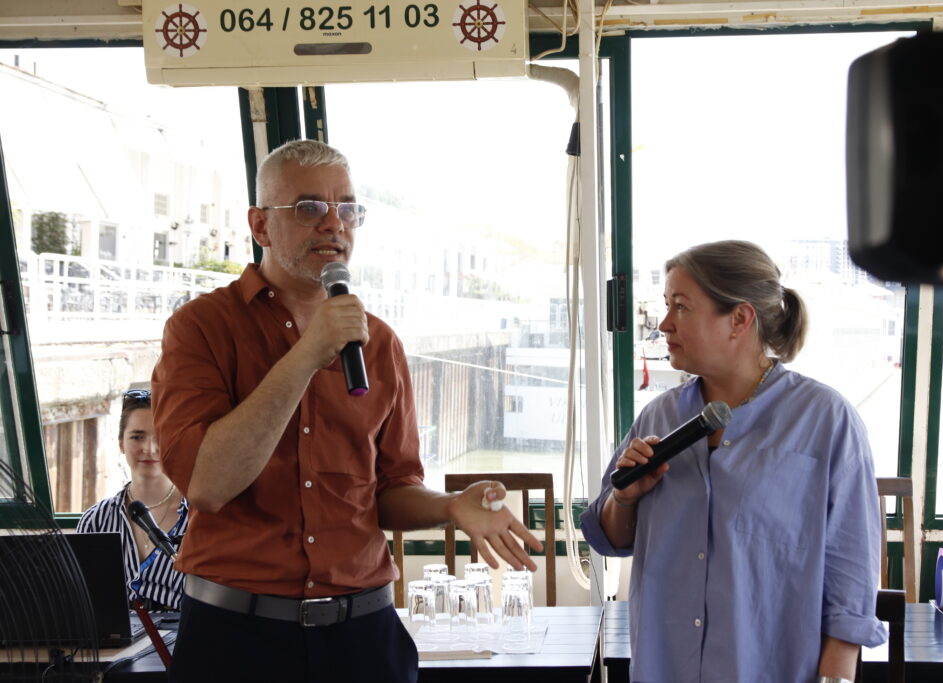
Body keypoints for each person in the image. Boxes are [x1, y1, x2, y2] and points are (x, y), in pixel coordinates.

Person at [151, 139, 541, 683]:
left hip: (363, 636)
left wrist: (451, 506)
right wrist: (308, 354)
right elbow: (207, 483)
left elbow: (390, 491)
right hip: (236, 637)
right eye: (309, 208)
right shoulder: (201, 329)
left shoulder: (379, 342)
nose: (334, 225)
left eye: (348, 209)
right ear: (260, 226)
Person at [580, 240, 886, 683]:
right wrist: (624, 498)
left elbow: (851, 565)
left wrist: (836, 675)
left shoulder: (825, 420)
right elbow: (608, 538)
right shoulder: (659, 416)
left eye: (681, 307)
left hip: (771, 668)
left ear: (740, 319)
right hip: (665, 666)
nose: (664, 324)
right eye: (666, 306)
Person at [77, 388, 189, 611]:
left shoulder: (200, 518)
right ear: (121, 443)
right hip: (115, 643)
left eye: (160, 436)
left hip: (183, 641)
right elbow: (82, 600)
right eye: (137, 437)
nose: (149, 448)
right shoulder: (95, 521)